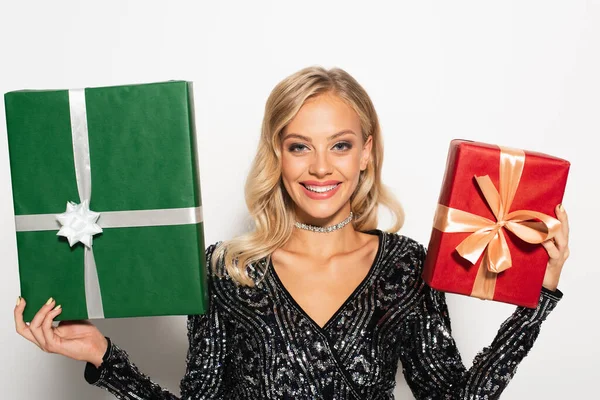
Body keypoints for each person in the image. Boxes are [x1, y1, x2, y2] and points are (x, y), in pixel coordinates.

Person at [14, 66, 570, 400]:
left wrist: (535, 300)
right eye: (300, 145)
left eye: (341, 144)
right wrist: (103, 357)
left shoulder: (403, 267)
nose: (321, 167)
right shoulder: (225, 270)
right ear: (277, 154)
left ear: (366, 153)